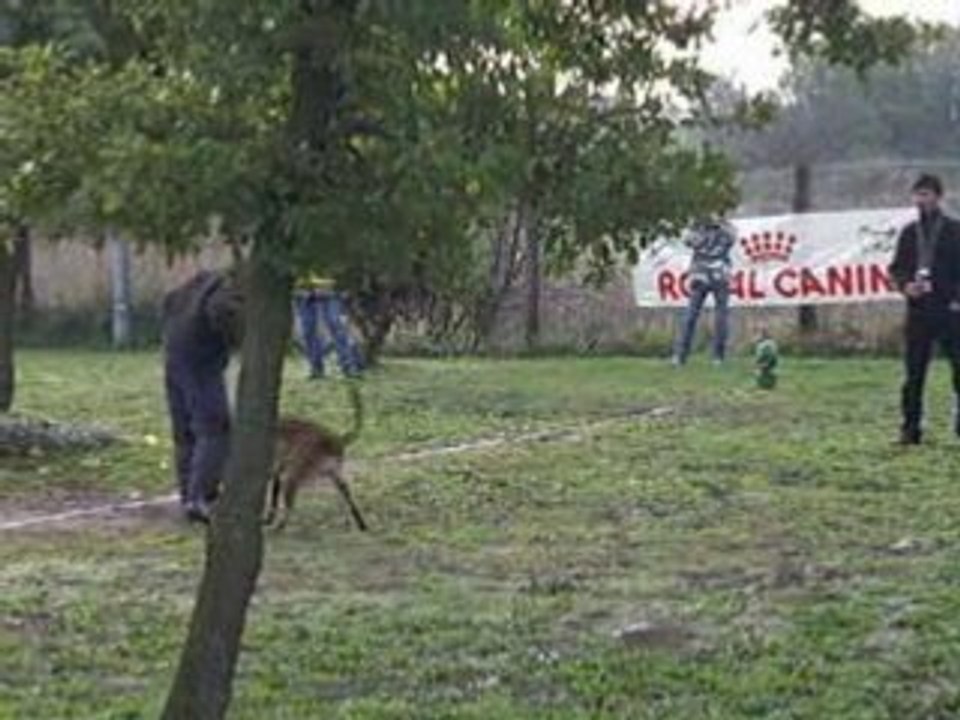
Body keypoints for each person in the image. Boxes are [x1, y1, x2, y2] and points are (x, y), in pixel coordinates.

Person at [161, 269, 244, 522]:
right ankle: (202, 498)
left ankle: (189, 495)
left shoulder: (204, 280)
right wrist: (238, 340)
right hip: (200, 361)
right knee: (215, 427)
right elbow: (221, 313)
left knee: (185, 432)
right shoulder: (228, 291)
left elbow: (169, 301)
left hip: (175, 354)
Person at [888, 174, 960, 445]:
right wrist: (905, 285)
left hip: (950, 310)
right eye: (917, 195)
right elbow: (896, 268)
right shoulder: (909, 233)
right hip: (918, 311)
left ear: (938, 197)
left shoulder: (954, 231)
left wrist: (957, 299)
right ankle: (910, 428)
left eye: (926, 194)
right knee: (913, 373)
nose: (921, 200)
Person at [672, 215, 736, 366]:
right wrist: (721, 223)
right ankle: (717, 358)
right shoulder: (725, 227)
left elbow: (687, 240)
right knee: (719, 316)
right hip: (719, 274)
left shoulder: (698, 227)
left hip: (701, 274)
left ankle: (680, 356)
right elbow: (733, 238)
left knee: (692, 316)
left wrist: (696, 225)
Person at [294, 274, 363, 379]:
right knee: (308, 331)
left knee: (337, 327)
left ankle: (349, 367)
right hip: (305, 292)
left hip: (331, 291)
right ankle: (316, 369)